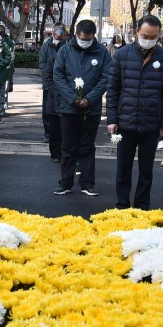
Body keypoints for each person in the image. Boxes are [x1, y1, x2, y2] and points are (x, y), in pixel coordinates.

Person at [106, 15, 163, 210]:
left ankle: (143, 204)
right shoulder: (122, 54)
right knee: (123, 168)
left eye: (153, 36)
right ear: (137, 32)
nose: (148, 39)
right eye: (145, 35)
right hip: (125, 122)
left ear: (159, 35)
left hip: (151, 123)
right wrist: (112, 119)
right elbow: (113, 90)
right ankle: (122, 205)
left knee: (146, 169)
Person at [52, 19, 111, 197]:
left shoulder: (101, 52)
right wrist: (73, 98)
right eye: (83, 38)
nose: (85, 41)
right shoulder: (65, 50)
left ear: (94, 36)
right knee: (68, 146)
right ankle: (66, 182)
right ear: (76, 35)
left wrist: (90, 99)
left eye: (89, 38)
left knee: (87, 146)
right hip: (69, 108)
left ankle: (87, 183)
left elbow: (106, 77)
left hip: (90, 109)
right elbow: (58, 75)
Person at [41, 25, 68, 162]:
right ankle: (55, 153)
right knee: (54, 129)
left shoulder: (69, 61)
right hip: (53, 96)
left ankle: (62, 153)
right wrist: (53, 89)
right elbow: (47, 77)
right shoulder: (51, 58)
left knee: (65, 129)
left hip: (66, 98)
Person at [37, 24, 65, 145]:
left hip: (63, 85)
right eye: (56, 37)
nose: (58, 40)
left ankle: (61, 134)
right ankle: (48, 133)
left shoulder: (67, 45)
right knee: (48, 111)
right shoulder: (46, 46)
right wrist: (49, 78)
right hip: (49, 84)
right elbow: (42, 64)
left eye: (61, 38)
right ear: (53, 35)